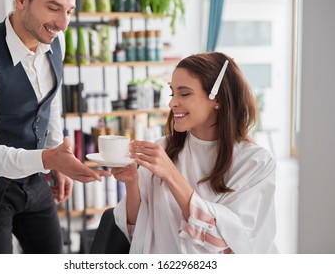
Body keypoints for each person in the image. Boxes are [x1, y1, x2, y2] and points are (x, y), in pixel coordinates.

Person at [0, 0, 110, 254]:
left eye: (69, 11)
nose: (63, 23)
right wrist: (50, 159)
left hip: (34, 181)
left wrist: (58, 153)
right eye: (53, 8)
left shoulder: (56, 39)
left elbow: (51, 101)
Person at [111, 52, 279, 254]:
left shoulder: (255, 163)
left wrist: (171, 174)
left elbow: (228, 244)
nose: (172, 103)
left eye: (184, 93)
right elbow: (138, 232)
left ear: (217, 99)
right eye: (172, 93)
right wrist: (132, 183)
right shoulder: (163, 149)